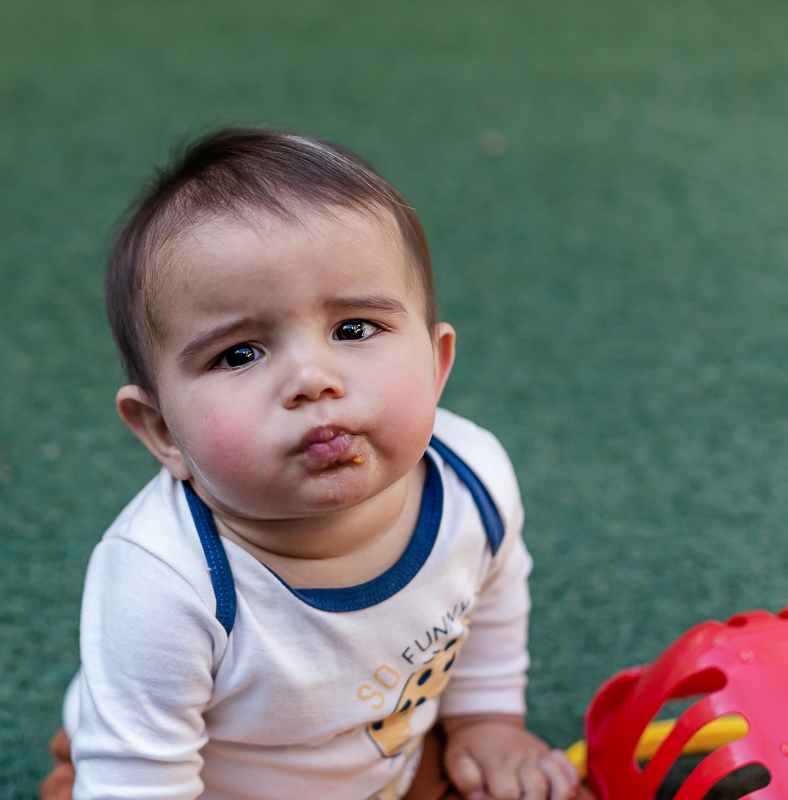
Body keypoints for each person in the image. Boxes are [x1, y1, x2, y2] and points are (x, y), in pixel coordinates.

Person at [41, 129, 589, 800]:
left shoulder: (472, 478)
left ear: (436, 362)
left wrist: (487, 719)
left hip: (394, 762)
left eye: (354, 328)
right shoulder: (163, 584)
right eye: (239, 353)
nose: (311, 378)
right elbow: (139, 781)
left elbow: (494, 591)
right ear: (161, 430)